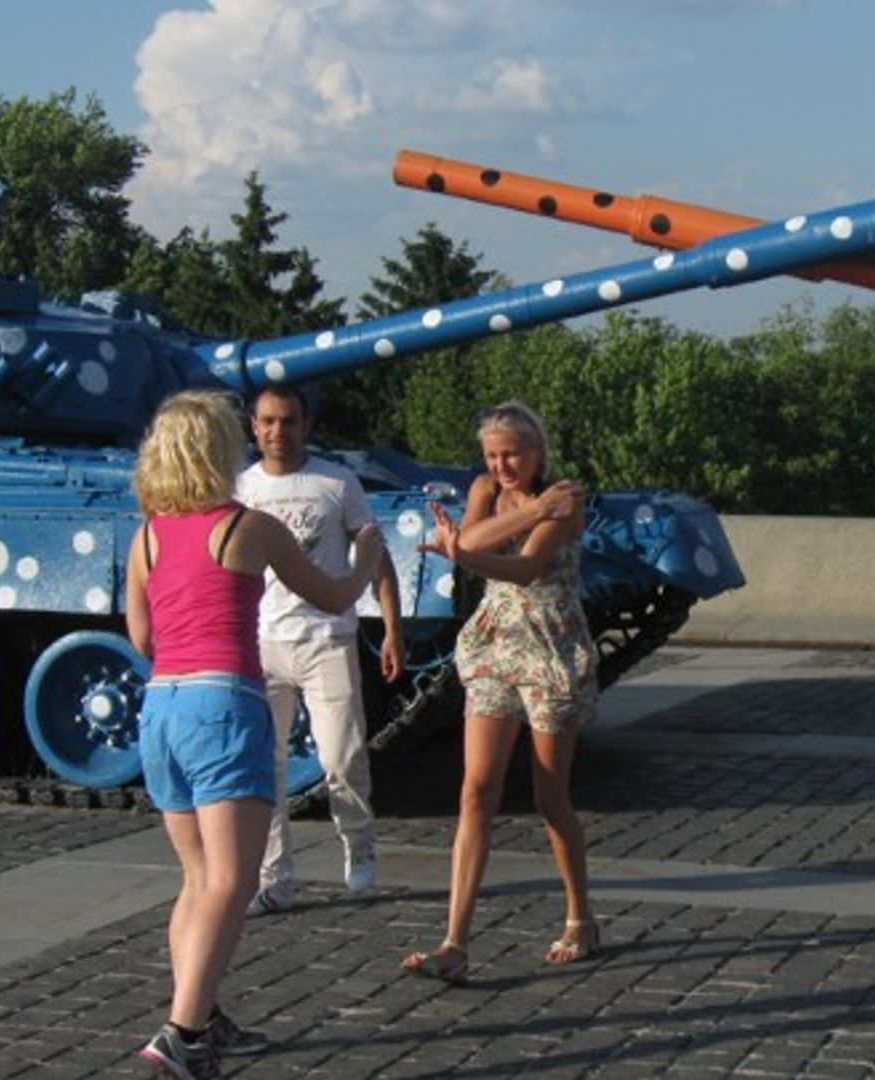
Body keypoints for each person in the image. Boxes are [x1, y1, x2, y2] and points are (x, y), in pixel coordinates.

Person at [126, 390, 384, 1080]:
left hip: (162, 707)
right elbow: (333, 596)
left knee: (197, 879)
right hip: (222, 701)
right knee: (234, 880)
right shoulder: (249, 527)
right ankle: (182, 1033)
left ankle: (202, 1015)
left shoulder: (148, 534)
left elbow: (142, 636)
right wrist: (367, 559)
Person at [401, 401, 597, 985]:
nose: (501, 465)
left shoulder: (567, 497)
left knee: (549, 797)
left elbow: (525, 567)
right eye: (491, 455)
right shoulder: (490, 490)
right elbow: (471, 537)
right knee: (475, 790)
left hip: (550, 649)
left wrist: (464, 547)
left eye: (511, 453)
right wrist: (494, 529)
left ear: (537, 451)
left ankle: (581, 918)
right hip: (493, 646)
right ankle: (455, 943)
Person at [236, 384, 402, 916]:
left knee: (341, 755)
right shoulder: (242, 487)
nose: (277, 431)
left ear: (306, 425)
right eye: (267, 421)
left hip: (326, 636)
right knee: (266, 765)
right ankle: (273, 878)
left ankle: (358, 840)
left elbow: (375, 555)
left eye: (288, 421)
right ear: (253, 426)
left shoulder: (336, 482)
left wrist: (392, 627)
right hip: (262, 641)